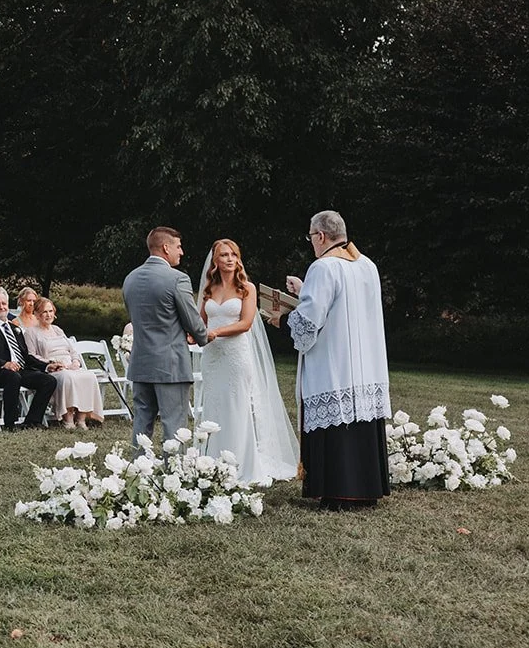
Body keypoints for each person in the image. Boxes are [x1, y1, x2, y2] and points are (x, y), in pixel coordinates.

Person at [278, 210, 391, 509]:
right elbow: (345, 304)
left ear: (321, 236)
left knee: (336, 425)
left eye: (311, 237)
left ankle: (339, 491)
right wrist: (305, 291)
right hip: (366, 366)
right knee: (360, 424)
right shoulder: (367, 265)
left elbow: (310, 320)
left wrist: (283, 319)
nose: (311, 243)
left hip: (335, 364)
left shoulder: (323, 267)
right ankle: (366, 491)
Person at [195, 239, 300, 481]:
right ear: (215, 261)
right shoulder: (209, 290)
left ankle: (241, 462)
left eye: (233, 254)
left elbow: (245, 323)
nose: (230, 259)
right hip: (212, 358)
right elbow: (200, 322)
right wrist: (193, 334)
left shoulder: (247, 289)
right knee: (214, 405)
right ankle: (212, 461)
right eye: (224, 255)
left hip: (235, 356)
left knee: (237, 405)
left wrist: (215, 333)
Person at [121, 226, 208, 451]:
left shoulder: (130, 278)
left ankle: (138, 472)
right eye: (178, 247)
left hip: (140, 361)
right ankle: (175, 475)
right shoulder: (176, 279)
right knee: (174, 425)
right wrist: (204, 336)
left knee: (141, 422)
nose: (182, 252)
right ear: (165, 247)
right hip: (170, 364)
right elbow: (191, 319)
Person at [0, 286, 58, 430]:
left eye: (4, 303)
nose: (1, 307)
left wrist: (46, 366)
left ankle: (32, 421)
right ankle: (10, 423)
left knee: (48, 380)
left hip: (19, 370)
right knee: (13, 377)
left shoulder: (14, 329)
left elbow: (26, 356)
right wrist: (4, 364)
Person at [23, 296, 106, 430]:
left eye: (50, 311)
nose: (48, 315)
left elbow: (72, 351)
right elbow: (31, 356)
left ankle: (81, 418)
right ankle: (68, 419)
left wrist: (75, 361)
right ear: (37, 314)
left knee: (89, 376)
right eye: (44, 312)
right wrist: (51, 363)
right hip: (54, 368)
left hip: (70, 365)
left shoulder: (58, 330)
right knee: (67, 377)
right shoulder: (31, 332)